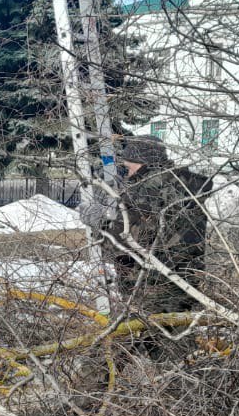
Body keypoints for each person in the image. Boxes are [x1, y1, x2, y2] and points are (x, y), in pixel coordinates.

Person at [79, 135, 212, 315]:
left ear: (142, 162)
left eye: (129, 167)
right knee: (177, 336)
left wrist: (100, 223)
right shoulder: (184, 187)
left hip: (150, 290)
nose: (128, 173)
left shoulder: (147, 192)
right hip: (183, 285)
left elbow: (127, 244)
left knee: (145, 340)